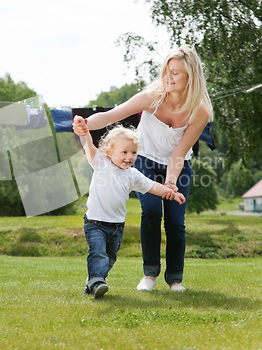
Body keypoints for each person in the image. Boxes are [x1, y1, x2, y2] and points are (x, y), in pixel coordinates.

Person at [73, 45, 213, 292]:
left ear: (190, 76)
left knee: (175, 222)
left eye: (176, 73)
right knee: (150, 212)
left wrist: (170, 183)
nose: (168, 77)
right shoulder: (152, 97)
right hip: (145, 161)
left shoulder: (200, 111)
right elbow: (109, 116)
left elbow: (178, 153)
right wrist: (86, 124)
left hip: (178, 166)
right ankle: (149, 275)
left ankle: (175, 279)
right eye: (167, 71)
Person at [75, 122, 185, 299]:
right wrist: (84, 132)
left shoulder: (132, 174)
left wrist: (171, 192)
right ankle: (96, 281)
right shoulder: (101, 163)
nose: (129, 157)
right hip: (95, 222)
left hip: (116, 227)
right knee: (98, 253)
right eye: (124, 152)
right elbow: (88, 145)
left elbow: (152, 187)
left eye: (133, 153)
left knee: (109, 258)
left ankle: (92, 283)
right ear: (110, 152)